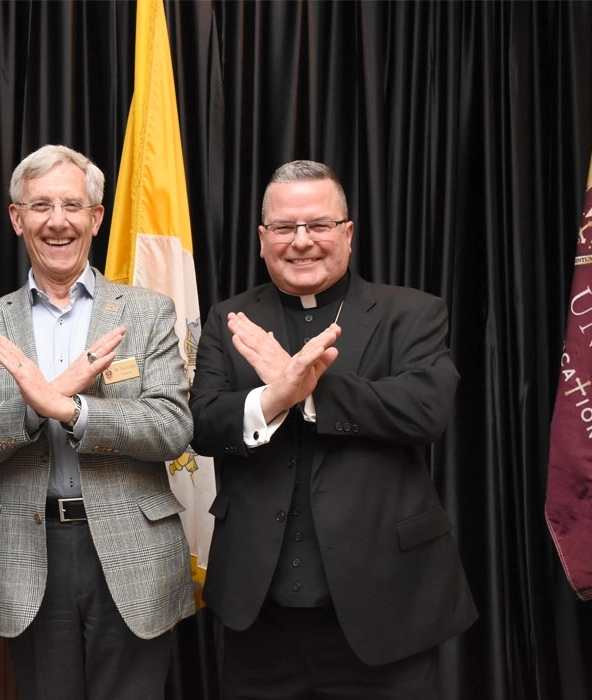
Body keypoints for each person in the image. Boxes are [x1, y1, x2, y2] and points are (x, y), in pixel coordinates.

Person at [189, 160, 477, 699]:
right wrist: (275, 396)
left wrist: (310, 390)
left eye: (319, 225)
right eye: (284, 227)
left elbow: (425, 410)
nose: (302, 242)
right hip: (260, 620)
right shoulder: (231, 319)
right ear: (262, 238)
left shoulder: (410, 313)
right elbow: (201, 423)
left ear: (346, 233)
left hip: (388, 613)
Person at [0, 144, 195, 700]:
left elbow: (172, 428)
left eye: (73, 206)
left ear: (96, 218)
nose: (58, 221)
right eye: (40, 206)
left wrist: (74, 411)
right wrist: (38, 405)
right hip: (30, 554)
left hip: (135, 552)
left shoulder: (146, 312)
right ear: (17, 218)